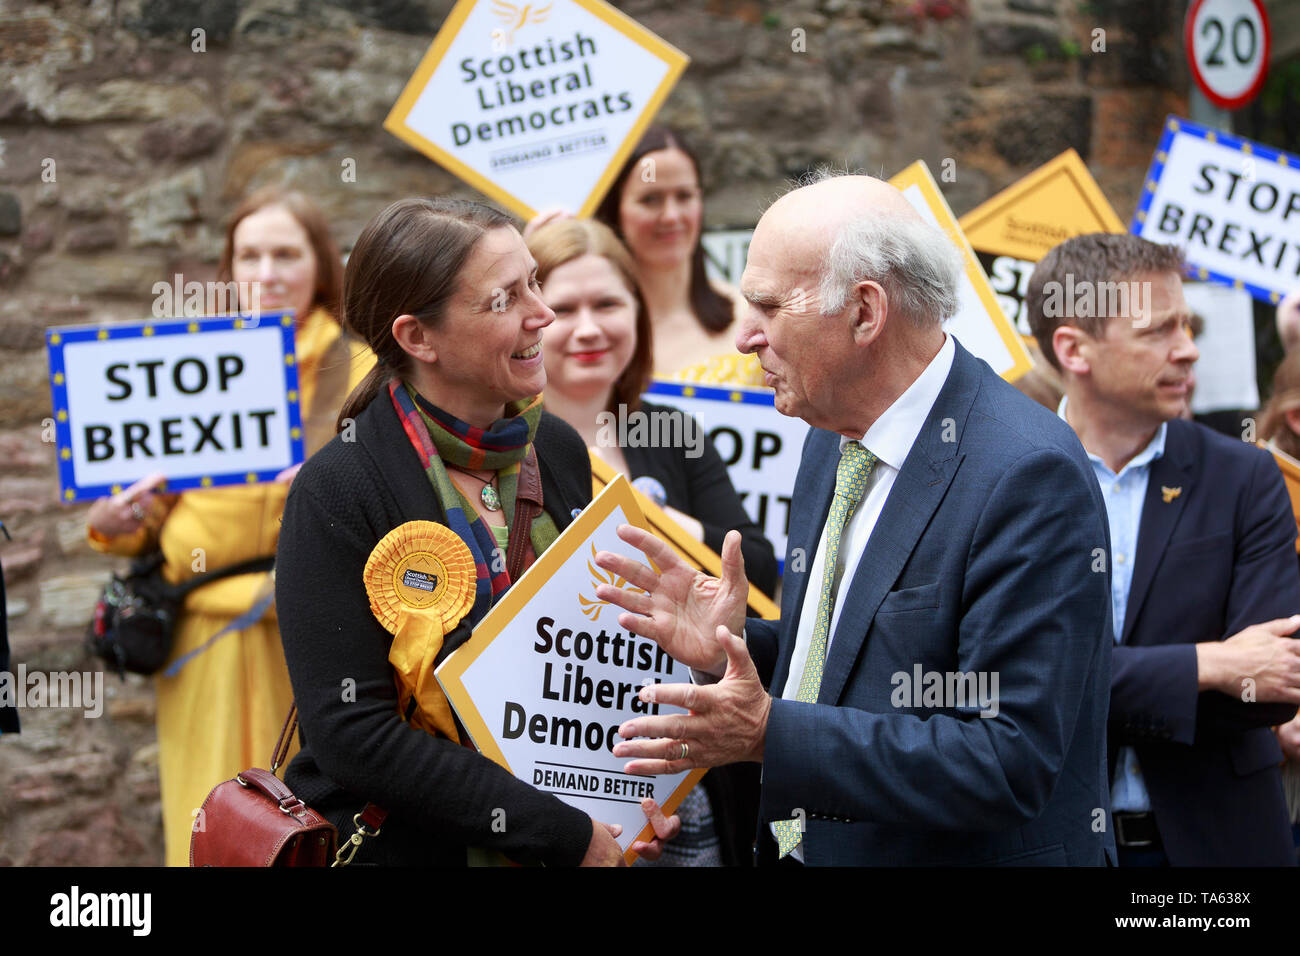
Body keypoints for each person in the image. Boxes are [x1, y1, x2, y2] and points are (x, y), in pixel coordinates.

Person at [592, 172, 1116, 866]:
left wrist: (768, 735)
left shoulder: (1025, 472)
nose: (744, 337)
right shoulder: (828, 433)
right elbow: (849, 657)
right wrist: (737, 645)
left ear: (865, 313)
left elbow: (1005, 760)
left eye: (769, 307)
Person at [274, 197, 677, 866]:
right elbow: (354, 734)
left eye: (534, 283)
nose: (542, 314)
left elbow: (590, 662)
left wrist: (622, 808)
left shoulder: (557, 447)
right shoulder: (338, 489)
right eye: (504, 299)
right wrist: (564, 834)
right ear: (417, 338)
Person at [85, 186, 373, 866]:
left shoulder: (357, 370)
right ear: (229, 268)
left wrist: (317, 486)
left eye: (285, 254)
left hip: (309, 636)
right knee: (209, 825)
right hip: (203, 641)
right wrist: (112, 523)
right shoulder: (183, 364)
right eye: (250, 255)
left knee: (309, 827)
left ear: (321, 266)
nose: (266, 273)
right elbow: (147, 519)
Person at [1028, 232, 1300, 866]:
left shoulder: (1244, 477)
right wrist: (1208, 665)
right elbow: (1006, 686)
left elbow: (1272, 687)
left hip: (1218, 851)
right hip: (1052, 846)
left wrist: (1088, 689)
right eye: (1158, 331)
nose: (1188, 350)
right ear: (1074, 349)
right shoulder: (1003, 475)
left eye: (1188, 325)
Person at [527, 217, 775, 866]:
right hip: (558, 764)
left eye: (607, 304)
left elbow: (761, 563)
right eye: (564, 308)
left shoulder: (670, 430)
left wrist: (668, 525)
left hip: (692, 760)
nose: (588, 328)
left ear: (638, 312)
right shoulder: (507, 449)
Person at [586, 125, 764, 386]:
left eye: (684, 196)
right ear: (615, 210)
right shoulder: (588, 332)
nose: (671, 216)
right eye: (650, 199)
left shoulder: (749, 316)